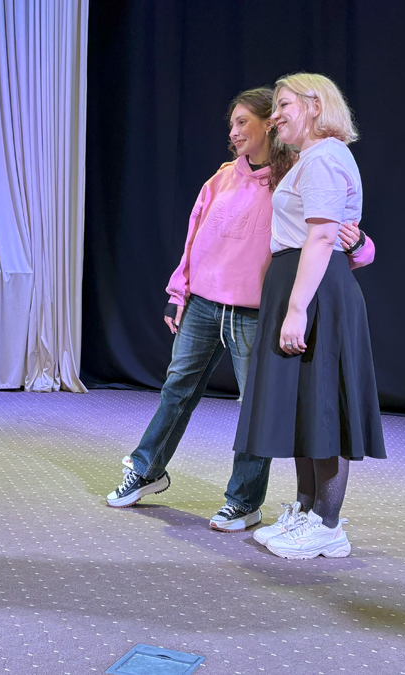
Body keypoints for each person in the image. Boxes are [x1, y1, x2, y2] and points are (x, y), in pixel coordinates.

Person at [106, 88, 376, 534]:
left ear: (269, 124)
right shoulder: (222, 178)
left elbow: (330, 238)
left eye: (242, 123)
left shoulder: (295, 176)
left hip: (255, 310)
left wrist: (361, 246)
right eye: (230, 124)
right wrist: (178, 290)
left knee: (257, 407)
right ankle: (147, 468)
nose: (232, 133)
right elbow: (196, 237)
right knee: (176, 390)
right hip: (204, 304)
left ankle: (244, 501)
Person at [234, 73, 385, 560]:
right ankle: (306, 509)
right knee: (303, 406)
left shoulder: (325, 157)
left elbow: (321, 237)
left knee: (322, 407)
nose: (274, 116)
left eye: (283, 105)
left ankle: (327, 523)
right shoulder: (308, 159)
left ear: (315, 105)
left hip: (315, 289)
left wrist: (297, 308)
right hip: (298, 282)